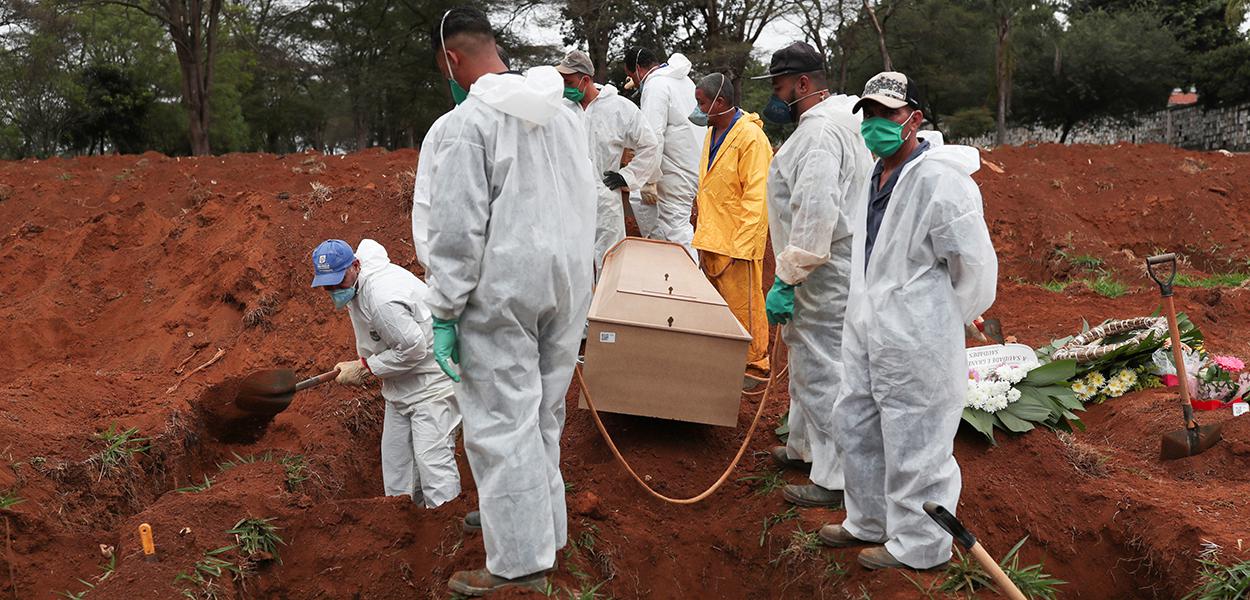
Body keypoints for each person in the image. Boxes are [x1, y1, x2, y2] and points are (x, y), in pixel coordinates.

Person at [426, 7, 595, 595]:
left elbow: (456, 230)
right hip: (566, 287)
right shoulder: (564, 115)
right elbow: (587, 200)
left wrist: (444, 310)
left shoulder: (468, 124)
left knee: (503, 424)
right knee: (544, 413)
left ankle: (520, 565)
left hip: (503, 292)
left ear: (452, 59)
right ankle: (548, 533)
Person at [822, 72, 997, 571]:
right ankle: (868, 520)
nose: (876, 124)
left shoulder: (941, 181)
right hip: (867, 323)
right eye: (870, 115)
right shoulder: (874, 175)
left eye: (888, 114)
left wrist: (937, 316)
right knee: (856, 419)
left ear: (914, 119)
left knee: (915, 433)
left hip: (917, 331)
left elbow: (973, 267)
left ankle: (920, 545)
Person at [753, 42, 873, 508]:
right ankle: (804, 447)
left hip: (821, 269)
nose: (776, 96)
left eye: (780, 86)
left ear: (803, 84)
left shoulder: (820, 134)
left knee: (821, 368)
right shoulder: (836, 122)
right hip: (832, 264)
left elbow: (815, 212)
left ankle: (836, 476)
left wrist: (789, 276)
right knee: (809, 359)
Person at [309, 238, 461, 507]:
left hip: (432, 383)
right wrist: (367, 363)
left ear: (355, 265)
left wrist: (366, 368)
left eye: (338, 281)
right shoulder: (357, 285)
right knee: (397, 467)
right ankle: (403, 524)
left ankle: (445, 525)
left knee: (433, 463)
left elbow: (413, 349)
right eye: (327, 285)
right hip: (400, 387)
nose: (333, 289)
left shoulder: (382, 299)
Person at [692, 72, 772, 381]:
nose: (698, 110)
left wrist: (744, 246)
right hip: (712, 237)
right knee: (718, 307)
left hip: (737, 242)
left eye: (701, 103)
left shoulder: (751, 138)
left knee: (744, 307)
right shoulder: (712, 133)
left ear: (720, 102)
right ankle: (723, 360)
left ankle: (755, 363)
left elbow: (757, 196)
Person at [555, 50, 660, 275]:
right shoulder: (561, 109)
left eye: (569, 82)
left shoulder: (619, 108)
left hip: (604, 198)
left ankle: (607, 298)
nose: (564, 87)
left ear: (585, 79)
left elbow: (649, 144)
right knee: (572, 262)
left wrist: (627, 176)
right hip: (569, 198)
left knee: (609, 260)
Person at [623, 47, 701, 261]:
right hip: (692, 163)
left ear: (638, 69)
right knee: (659, 217)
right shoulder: (682, 80)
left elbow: (652, 136)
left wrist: (649, 179)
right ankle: (667, 269)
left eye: (631, 76)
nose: (633, 82)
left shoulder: (655, 85)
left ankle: (689, 278)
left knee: (676, 229)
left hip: (675, 171)